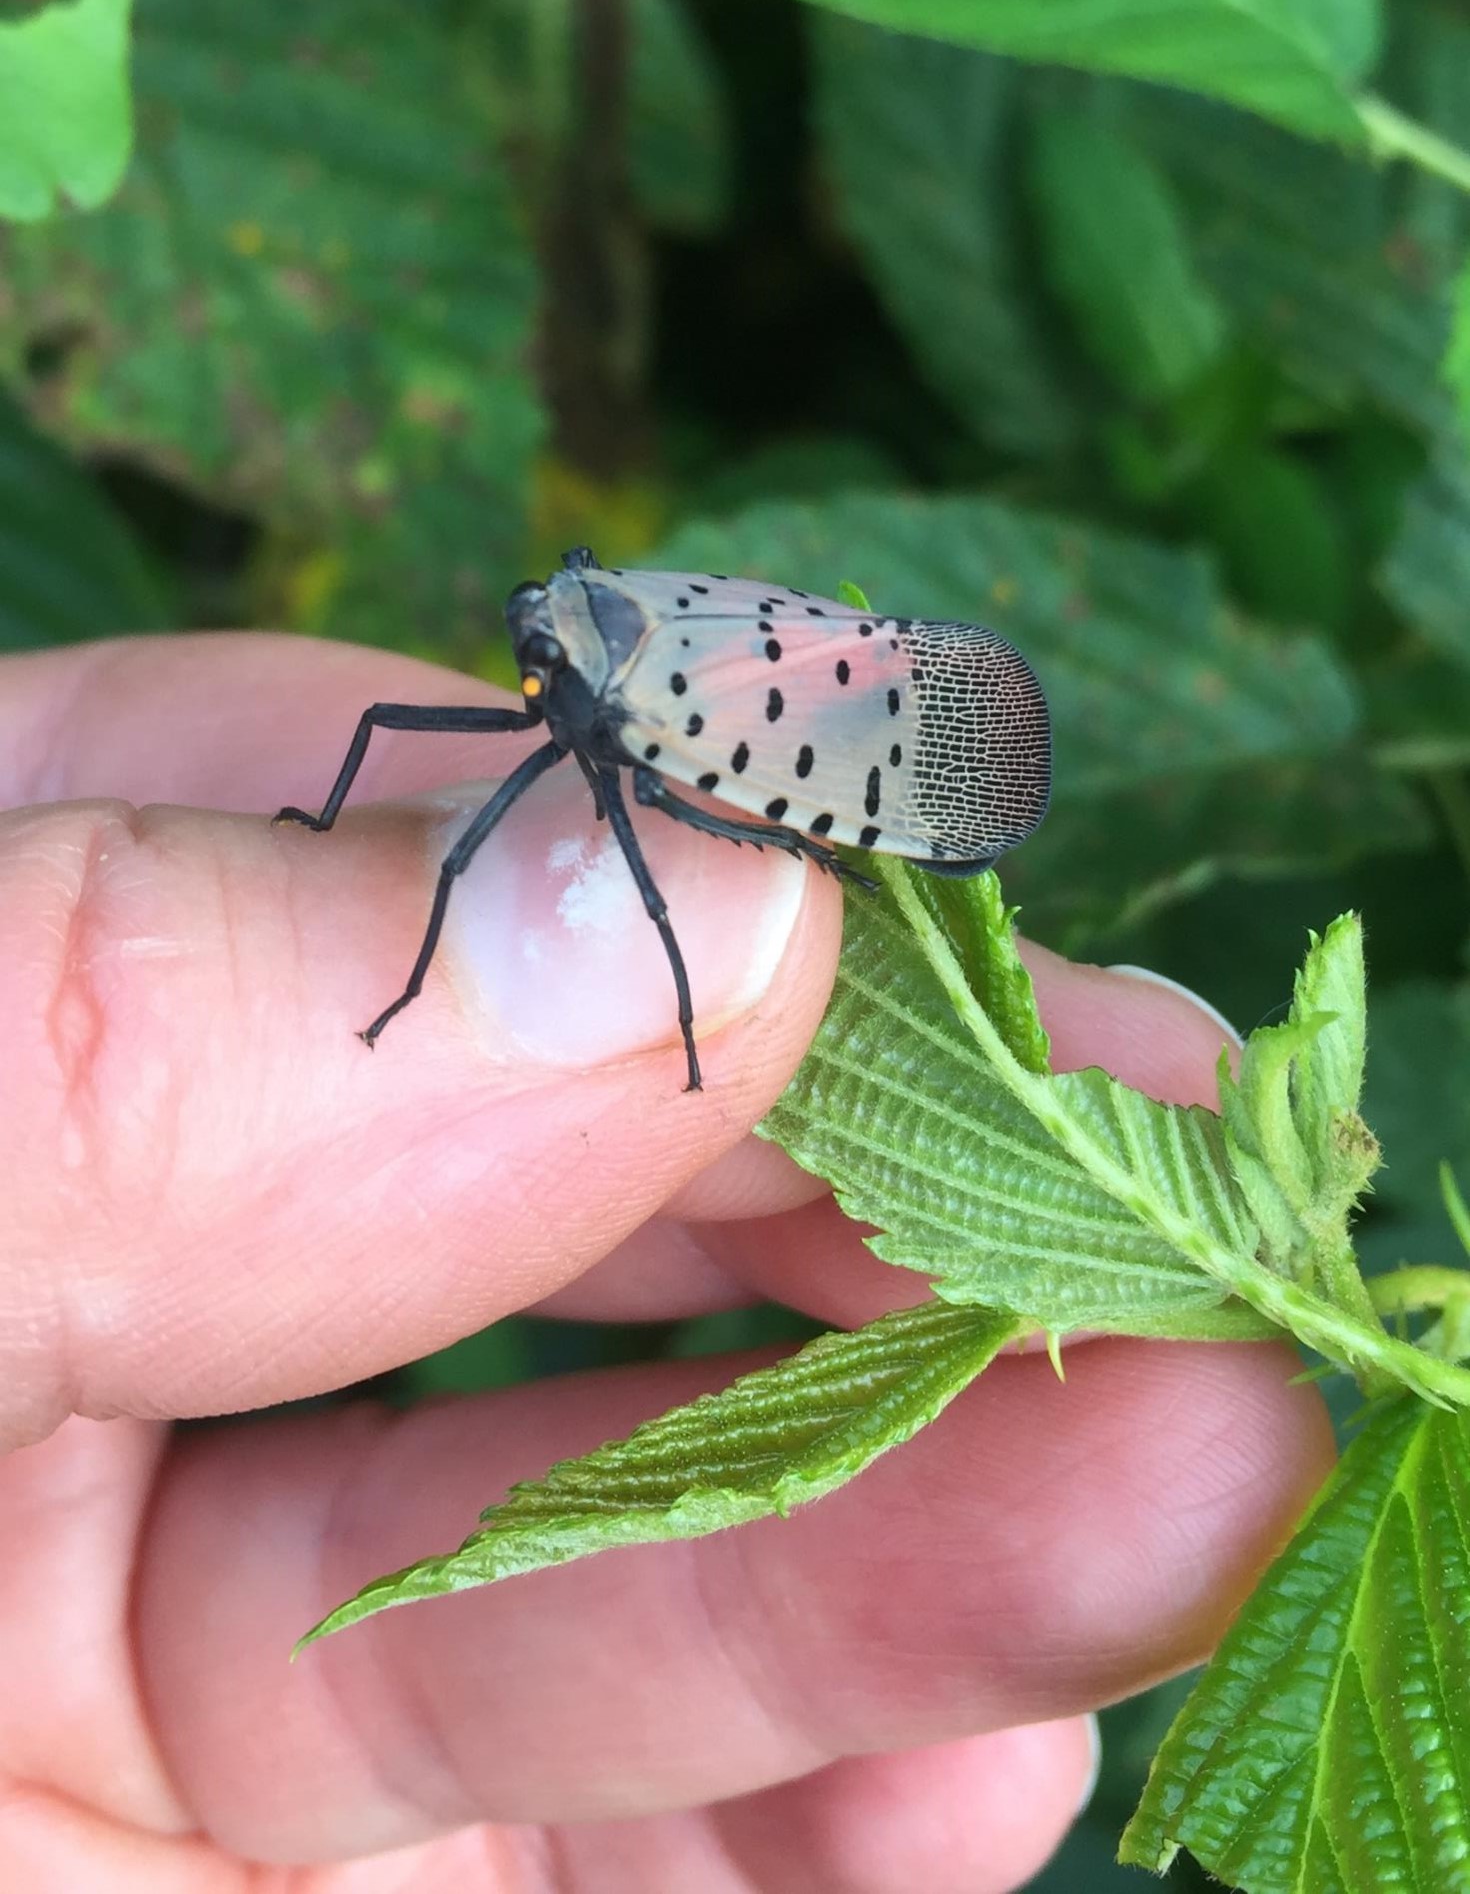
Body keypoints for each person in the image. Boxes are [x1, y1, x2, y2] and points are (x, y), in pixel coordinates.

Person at [0, 633, 1333, 1891]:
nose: (527, 667)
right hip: (670, 740)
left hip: (692, 733)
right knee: (492, 860)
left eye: (543, 657)